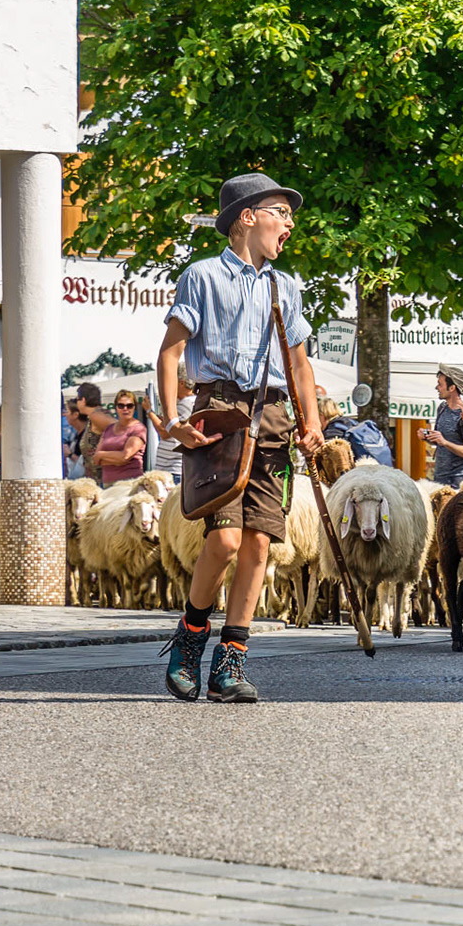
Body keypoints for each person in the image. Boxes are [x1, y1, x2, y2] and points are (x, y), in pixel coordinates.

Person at [156, 171, 323, 704]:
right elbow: (170, 353)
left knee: (257, 545)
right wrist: (171, 416)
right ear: (247, 218)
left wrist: (312, 422)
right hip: (219, 414)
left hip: (273, 417)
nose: (290, 222)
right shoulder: (201, 276)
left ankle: (231, 664)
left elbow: (300, 364)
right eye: (281, 211)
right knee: (225, 539)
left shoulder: (286, 285)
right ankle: (190, 637)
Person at [419, 366, 463, 486]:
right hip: (439, 477)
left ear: (452, 388)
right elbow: (442, 441)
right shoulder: (442, 408)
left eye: (440, 384)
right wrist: (429, 438)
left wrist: (444, 442)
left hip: (458, 480)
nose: (437, 387)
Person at [91, 390, 149, 486]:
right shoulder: (109, 429)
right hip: (108, 484)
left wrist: (102, 455)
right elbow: (96, 459)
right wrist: (117, 460)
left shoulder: (138, 428)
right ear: (116, 408)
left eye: (129, 406)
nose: (125, 409)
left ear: (134, 407)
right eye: (121, 406)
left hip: (129, 484)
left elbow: (125, 456)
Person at [149, 365, 197, 482]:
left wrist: (149, 411)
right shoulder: (191, 402)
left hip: (172, 468)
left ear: (181, 383)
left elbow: (164, 432)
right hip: (173, 468)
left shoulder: (186, 404)